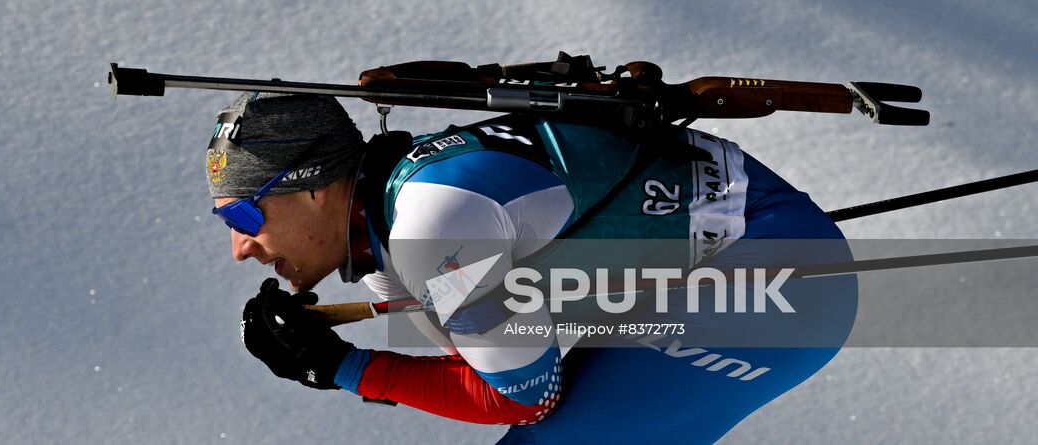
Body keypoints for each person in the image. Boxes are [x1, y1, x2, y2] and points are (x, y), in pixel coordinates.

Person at [207, 91, 856, 443]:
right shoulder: (386, 235)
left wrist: (342, 366)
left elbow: (523, 396)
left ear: (314, 187)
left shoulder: (431, 225)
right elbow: (482, 369)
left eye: (245, 218)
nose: (241, 246)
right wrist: (338, 362)